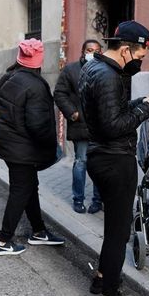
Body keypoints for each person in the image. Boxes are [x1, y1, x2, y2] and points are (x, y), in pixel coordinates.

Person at [79, 20, 149, 296]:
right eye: (139, 56)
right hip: (115, 160)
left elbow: (108, 112)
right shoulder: (108, 76)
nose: (140, 62)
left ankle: (102, 278)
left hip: (101, 156)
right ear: (126, 50)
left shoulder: (94, 68)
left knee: (113, 227)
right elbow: (113, 125)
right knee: (118, 233)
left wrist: (136, 103)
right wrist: (146, 109)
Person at [0, 38, 66, 256]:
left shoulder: (8, 77)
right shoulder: (36, 85)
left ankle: (39, 231)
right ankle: (3, 241)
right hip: (22, 149)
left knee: (29, 187)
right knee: (21, 190)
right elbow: (39, 126)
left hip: (7, 144)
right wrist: (50, 148)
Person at [54, 39, 104, 214]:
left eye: (97, 50)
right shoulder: (71, 70)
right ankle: (78, 199)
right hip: (80, 125)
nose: (93, 53)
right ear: (83, 52)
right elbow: (59, 93)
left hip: (101, 127)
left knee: (99, 164)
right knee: (81, 162)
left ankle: (98, 200)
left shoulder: (106, 70)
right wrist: (72, 112)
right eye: (90, 50)